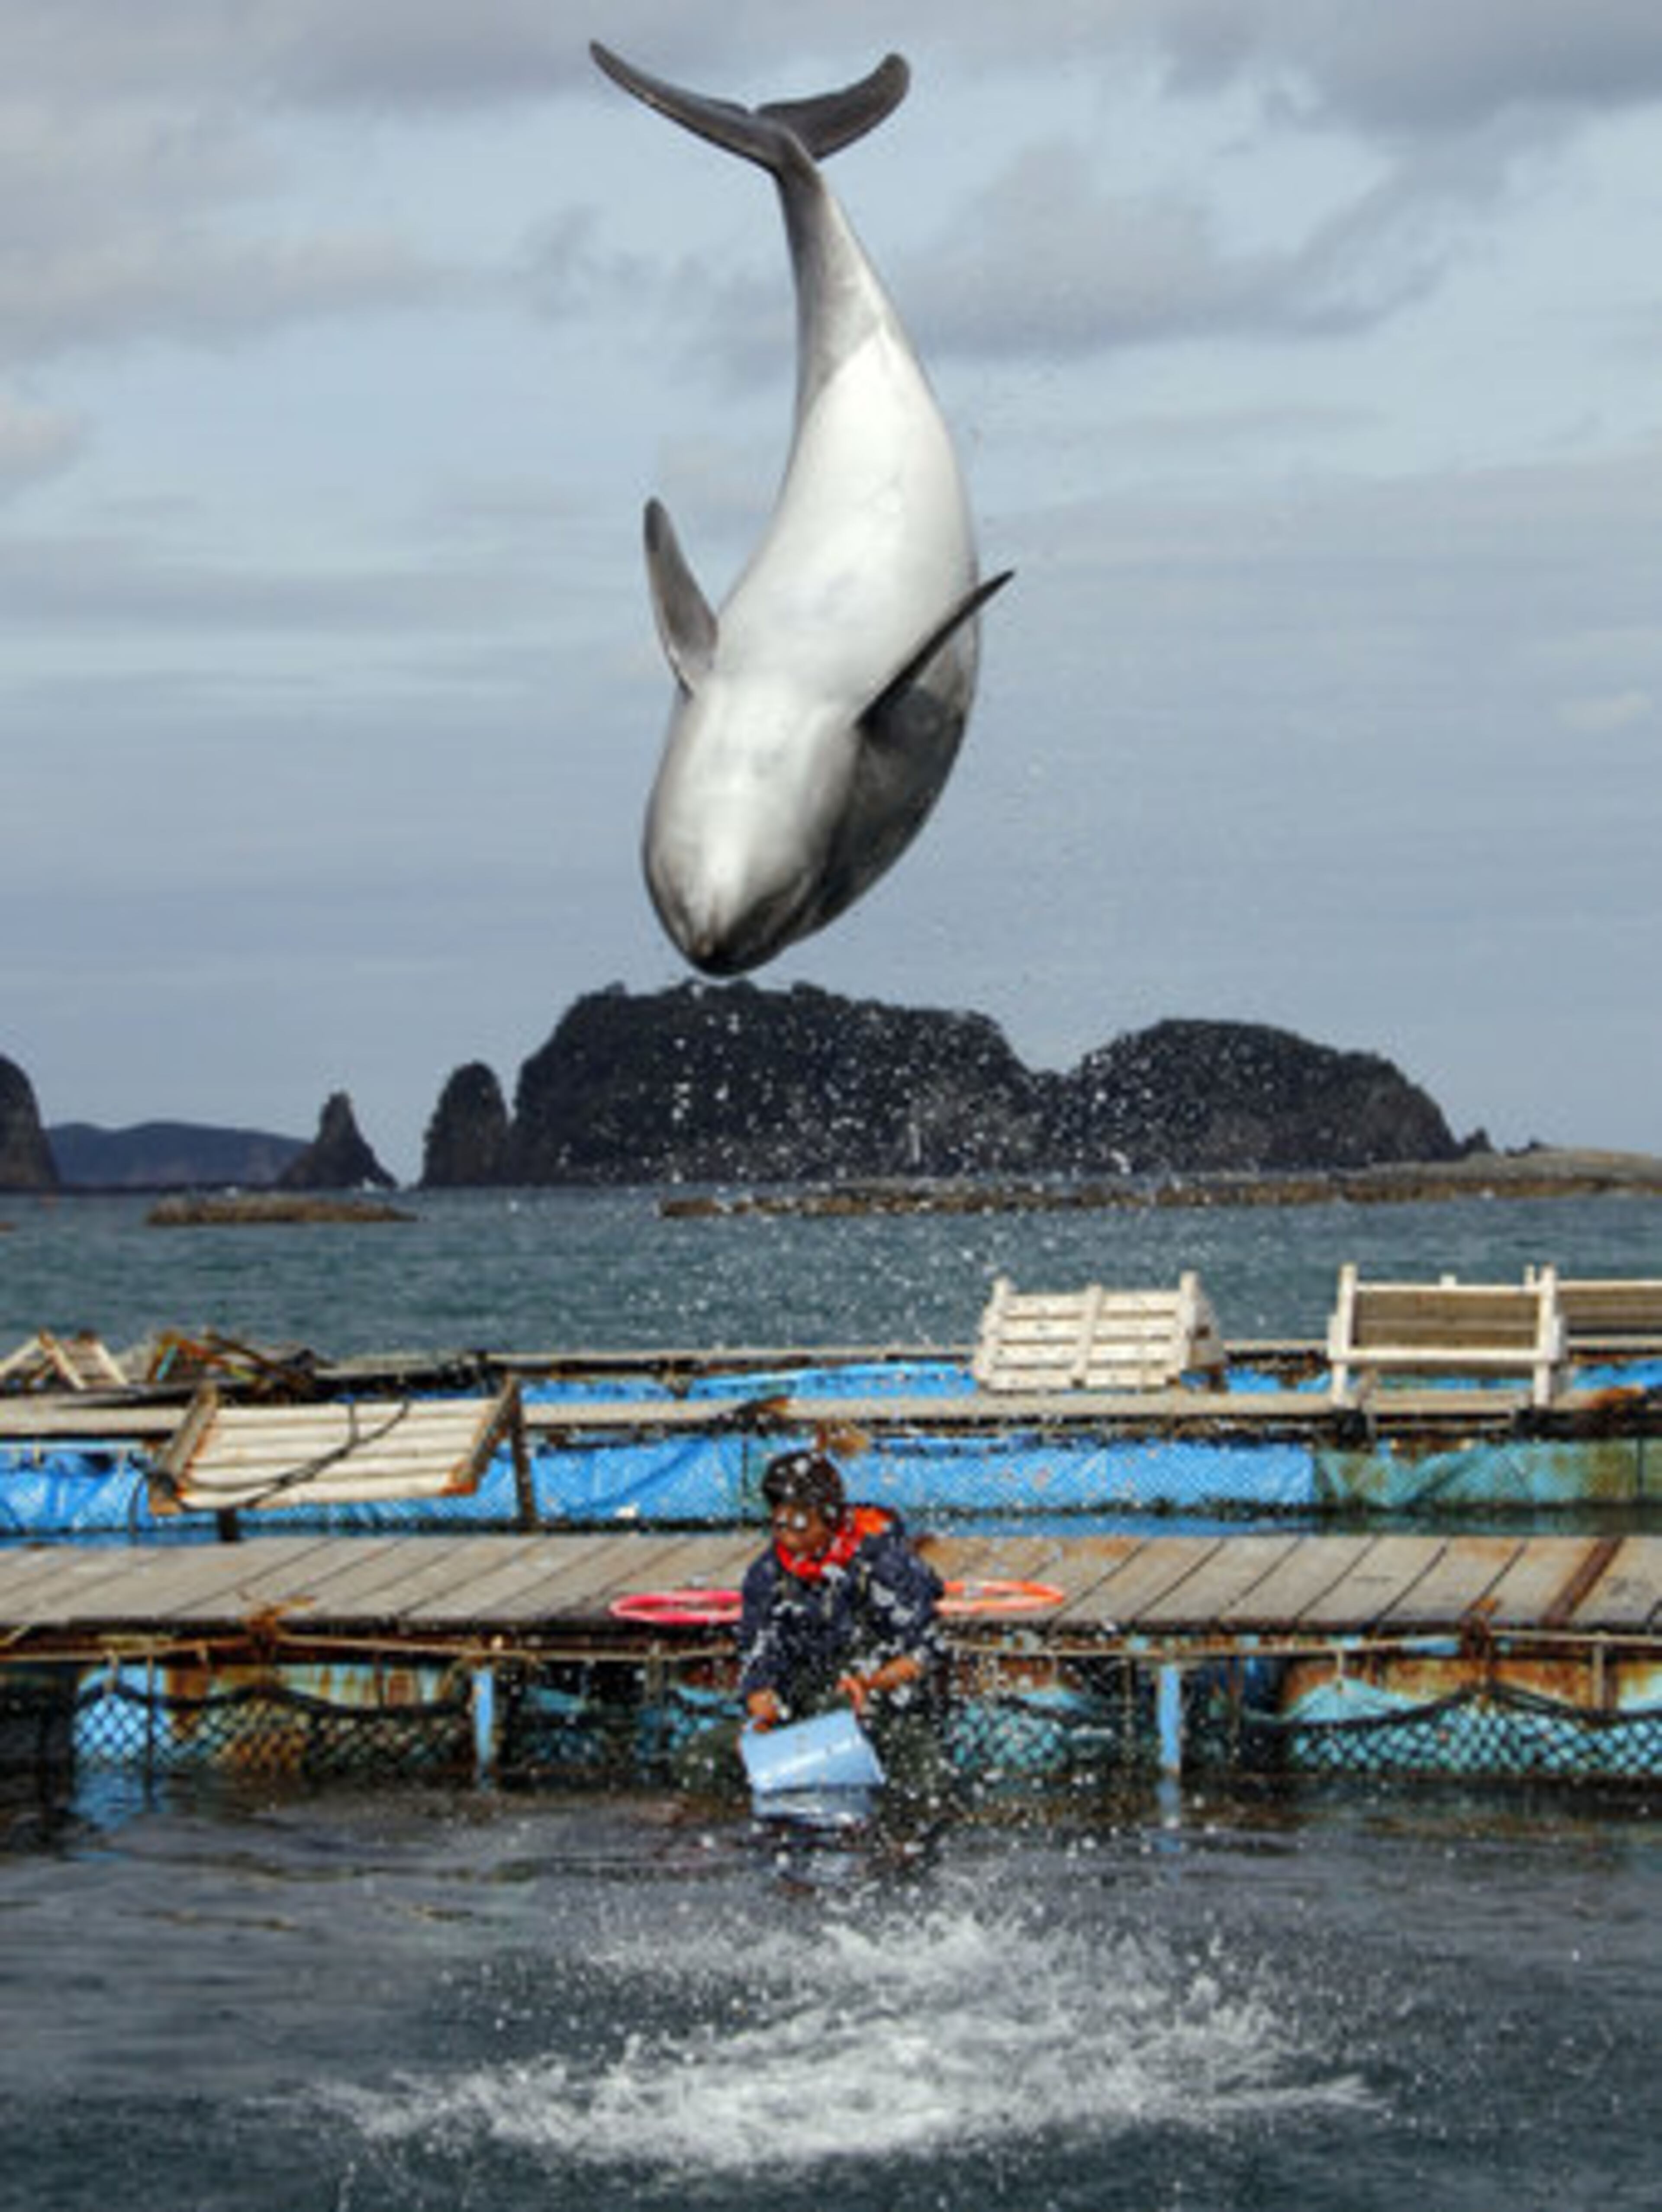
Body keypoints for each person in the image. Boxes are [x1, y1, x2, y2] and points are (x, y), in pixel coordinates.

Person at [738, 1449, 953, 1807]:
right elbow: (757, 1656)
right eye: (779, 1524)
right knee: (706, 1759)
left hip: (884, 1712)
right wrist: (760, 1704)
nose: (788, 1536)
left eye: (801, 1524)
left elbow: (923, 1652)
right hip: (806, 1720)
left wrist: (871, 1683)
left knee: (925, 1779)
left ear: (830, 1517)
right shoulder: (767, 1575)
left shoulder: (882, 1561)